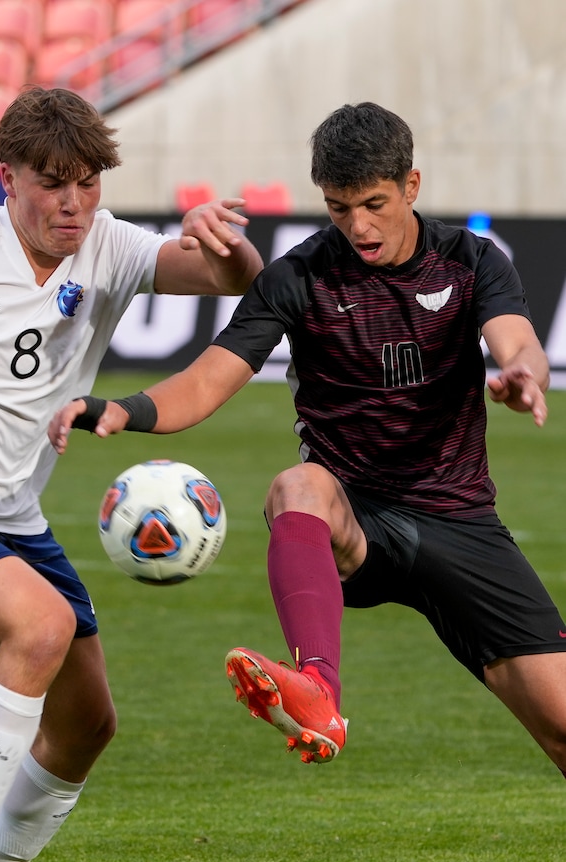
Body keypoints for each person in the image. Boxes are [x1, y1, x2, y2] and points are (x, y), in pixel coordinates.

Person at [50, 102, 566, 780]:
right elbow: (209, 379)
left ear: (411, 186)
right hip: (355, 521)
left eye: (374, 203)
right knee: (299, 485)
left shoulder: (469, 262)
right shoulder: (300, 276)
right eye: (339, 207)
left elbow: (515, 336)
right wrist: (126, 408)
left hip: (460, 521)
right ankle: (317, 687)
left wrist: (522, 370)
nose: (358, 225)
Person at [0, 85, 263, 862]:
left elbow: (231, 282)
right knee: (40, 627)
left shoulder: (109, 246)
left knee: (88, 720)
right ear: (7, 177)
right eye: (52, 183)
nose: (73, 203)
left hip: (12, 514)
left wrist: (222, 245)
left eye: (87, 182)